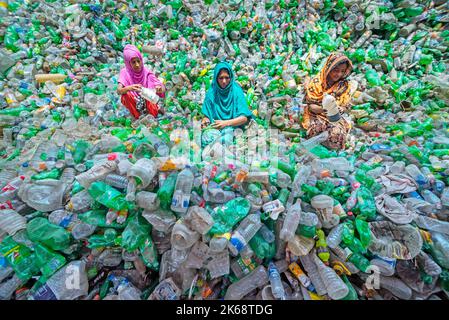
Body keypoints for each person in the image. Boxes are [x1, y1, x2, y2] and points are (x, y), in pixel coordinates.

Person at [302, 53, 357, 150]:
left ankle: (331, 153)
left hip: (334, 117)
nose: (339, 74)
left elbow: (345, 106)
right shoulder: (317, 82)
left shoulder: (343, 85)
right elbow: (311, 106)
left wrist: (340, 109)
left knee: (337, 134)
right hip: (316, 113)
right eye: (335, 70)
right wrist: (325, 109)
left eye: (342, 71)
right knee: (316, 130)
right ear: (329, 68)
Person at [117, 44, 165, 119]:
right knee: (125, 95)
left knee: (148, 94)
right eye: (133, 62)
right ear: (128, 63)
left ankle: (152, 116)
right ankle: (137, 117)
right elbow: (119, 91)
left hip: (146, 101)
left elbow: (160, 87)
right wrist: (130, 88)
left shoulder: (146, 72)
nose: (137, 65)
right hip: (133, 101)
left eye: (138, 61)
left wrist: (159, 88)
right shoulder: (125, 72)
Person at [201, 61, 253, 130]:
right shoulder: (211, 93)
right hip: (215, 129)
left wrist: (225, 123)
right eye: (221, 78)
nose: (224, 81)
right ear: (216, 78)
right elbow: (207, 115)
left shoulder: (236, 91)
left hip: (235, 129)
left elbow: (244, 118)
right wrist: (205, 121)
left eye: (227, 78)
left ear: (231, 78)